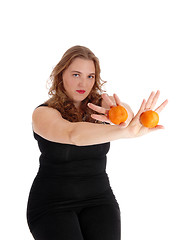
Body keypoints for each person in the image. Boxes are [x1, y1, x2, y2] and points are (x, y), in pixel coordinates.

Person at [26, 45, 168, 240]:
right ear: (61, 75)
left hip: (99, 200)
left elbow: (123, 112)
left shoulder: (100, 107)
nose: (83, 82)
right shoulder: (43, 113)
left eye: (90, 76)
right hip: (52, 204)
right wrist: (124, 131)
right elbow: (72, 134)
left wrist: (123, 116)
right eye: (76, 74)